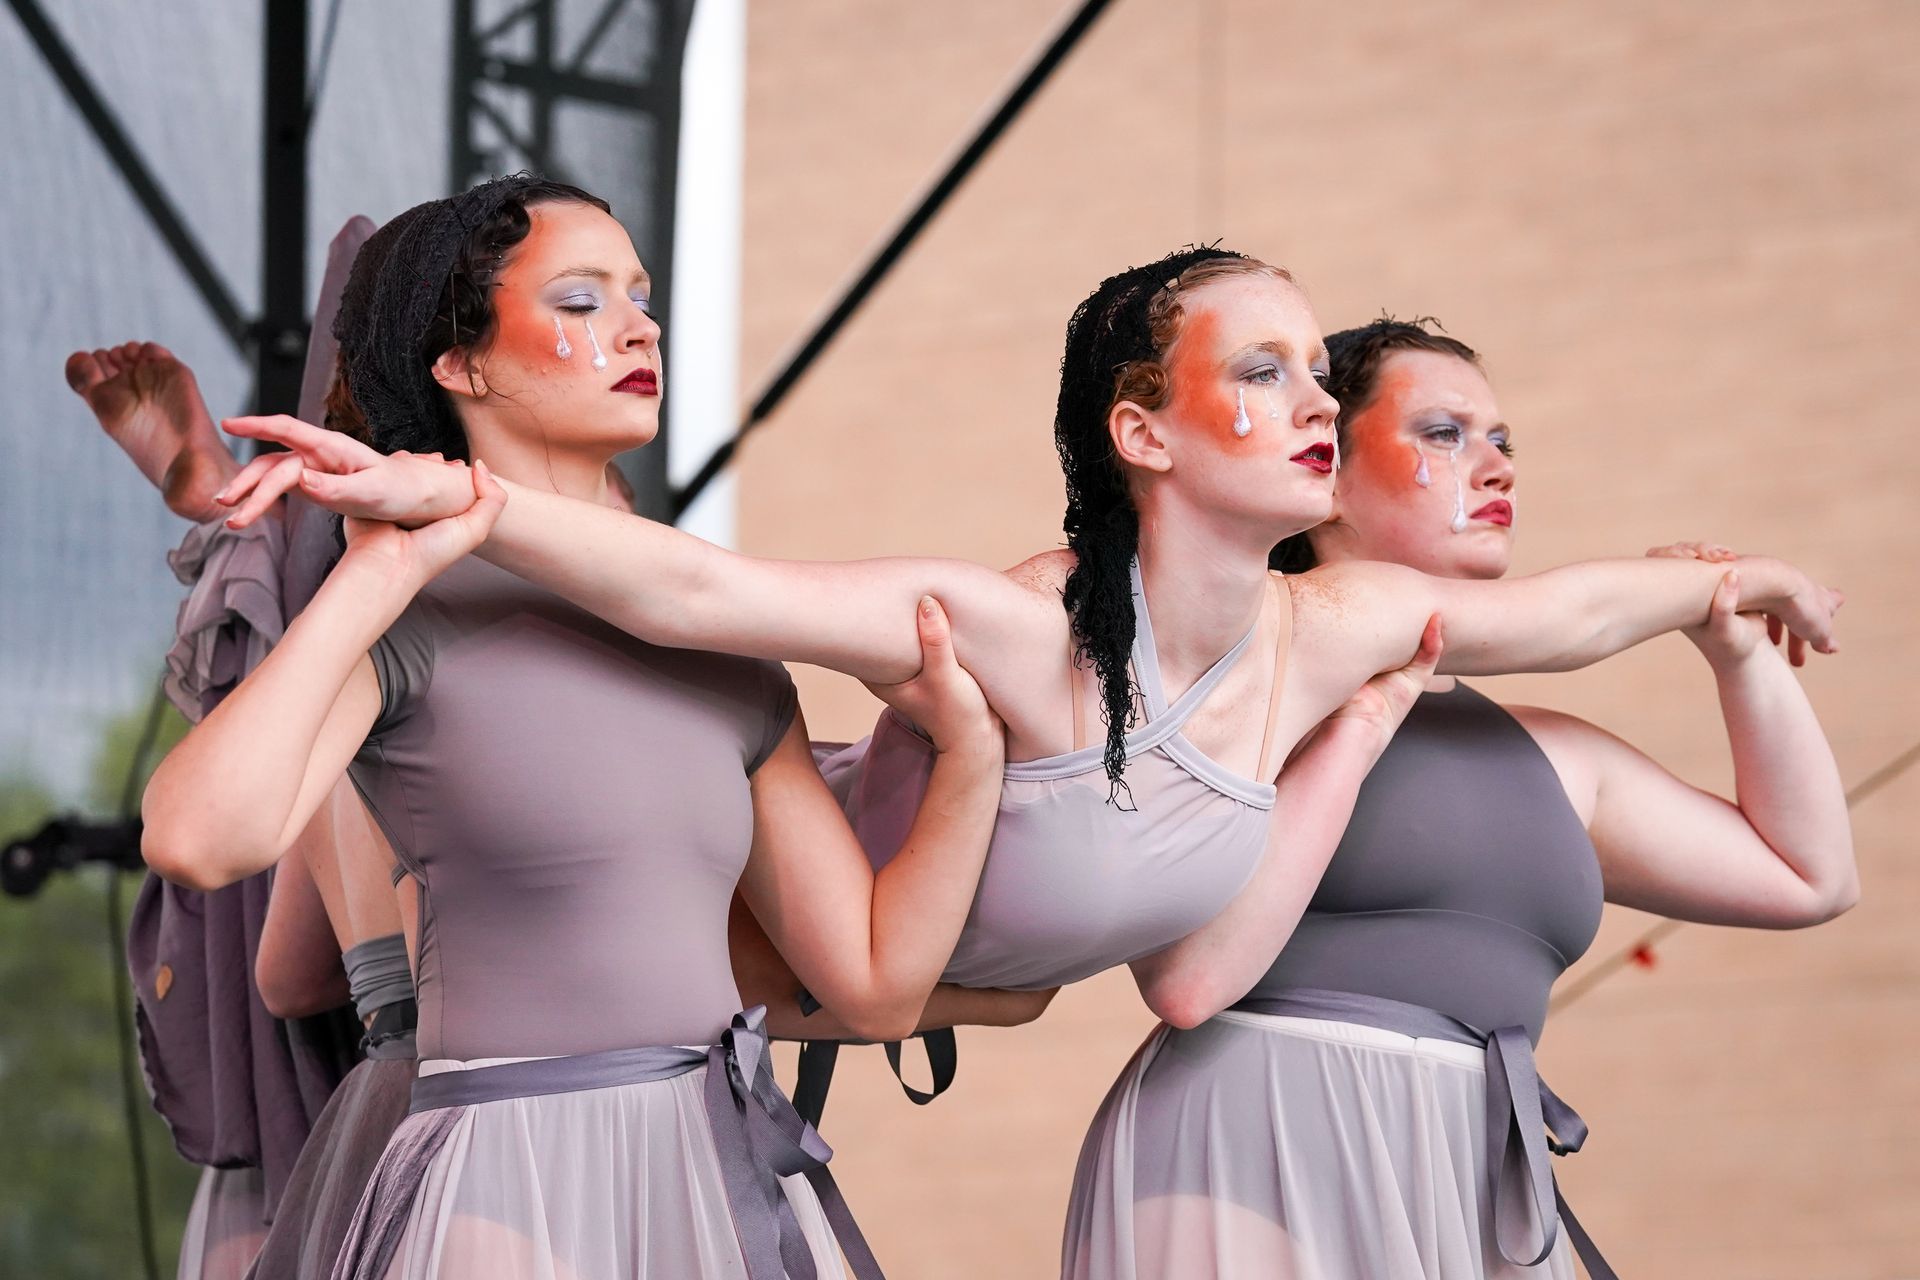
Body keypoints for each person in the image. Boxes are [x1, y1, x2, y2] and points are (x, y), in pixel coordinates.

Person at [140, 174, 1017, 1280]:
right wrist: (381, 567)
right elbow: (196, 835)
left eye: (640, 294)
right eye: (580, 300)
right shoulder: (404, 620)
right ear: (457, 363)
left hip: (718, 1175)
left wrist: (972, 754)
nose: (640, 324)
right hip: (508, 1189)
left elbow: (879, 981)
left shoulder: (726, 646)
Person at [1062, 319, 1856, 1279]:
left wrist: (1734, 645)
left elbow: (1808, 876)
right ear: (1328, 476)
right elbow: (1577, 620)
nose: (1496, 468)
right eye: (1444, 434)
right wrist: (1733, 579)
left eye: (1503, 441)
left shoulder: (1542, 751)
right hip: (1268, 1132)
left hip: (1469, 1162)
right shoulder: (1263, 660)